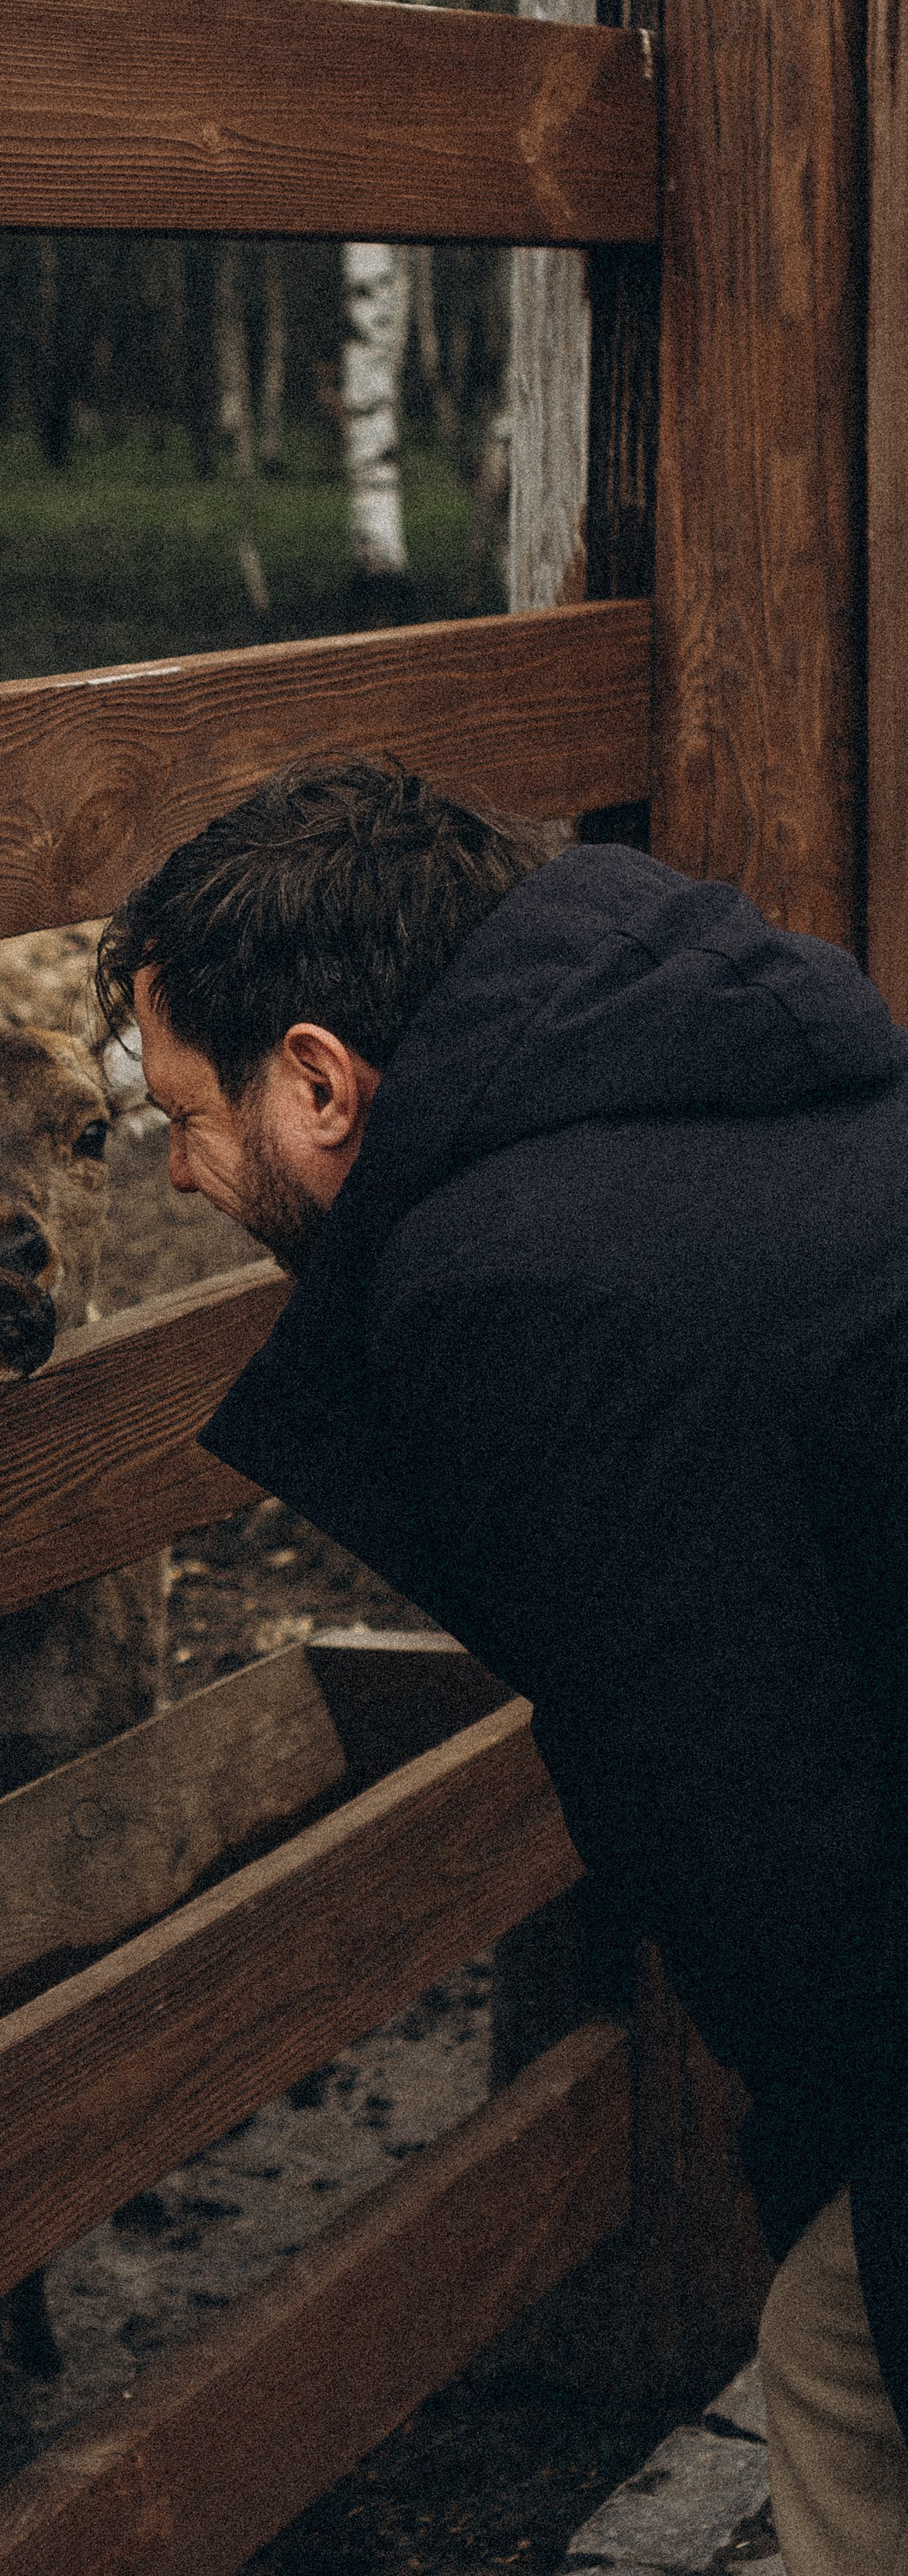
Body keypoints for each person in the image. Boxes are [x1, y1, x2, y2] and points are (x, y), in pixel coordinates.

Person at [96, 755, 908, 2576]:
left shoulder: (512, 1292)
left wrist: (840, 2156)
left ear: (319, 1082)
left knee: (843, 2362)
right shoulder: (768, 1072)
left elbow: (743, 1820)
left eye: (184, 1115)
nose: (175, 1169)